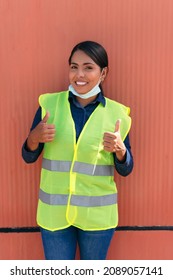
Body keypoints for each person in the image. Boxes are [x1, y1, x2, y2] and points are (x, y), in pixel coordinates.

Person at [22, 40, 133, 260]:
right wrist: (33, 139)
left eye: (88, 67)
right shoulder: (49, 106)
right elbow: (28, 155)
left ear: (103, 73)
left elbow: (126, 168)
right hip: (55, 217)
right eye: (74, 67)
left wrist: (121, 151)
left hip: (97, 219)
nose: (79, 74)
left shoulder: (118, 114)